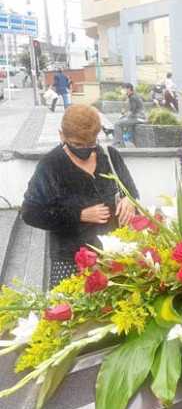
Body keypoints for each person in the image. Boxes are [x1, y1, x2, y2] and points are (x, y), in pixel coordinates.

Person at [22, 105, 139, 288]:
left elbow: (131, 193)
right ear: (62, 136)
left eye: (91, 144)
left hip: (114, 256)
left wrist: (129, 201)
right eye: (77, 144)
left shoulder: (110, 156)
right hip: (70, 262)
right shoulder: (51, 165)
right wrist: (79, 215)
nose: (85, 149)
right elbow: (30, 213)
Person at [112, 83, 146, 148]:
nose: (123, 90)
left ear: (129, 89)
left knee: (117, 124)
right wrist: (125, 115)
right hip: (140, 117)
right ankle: (121, 143)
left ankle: (119, 144)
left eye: (124, 89)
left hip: (138, 118)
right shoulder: (134, 95)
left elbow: (132, 111)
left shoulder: (132, 97)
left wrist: (124, 115)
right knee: (121, 120)